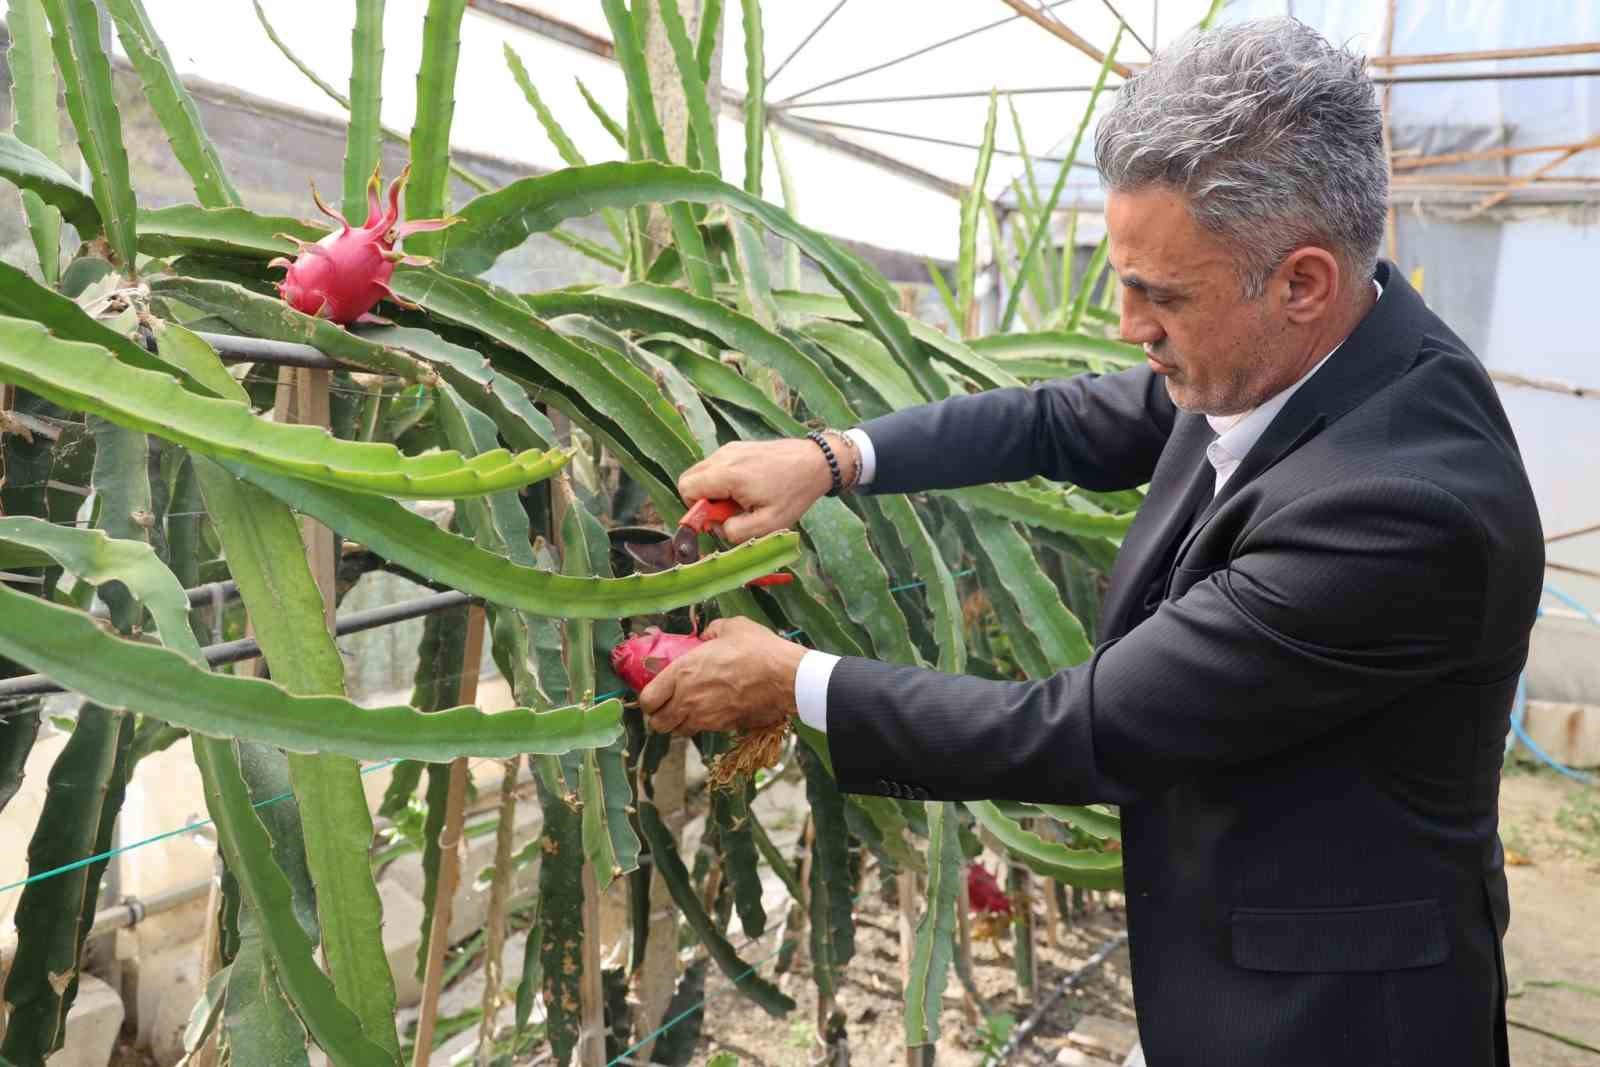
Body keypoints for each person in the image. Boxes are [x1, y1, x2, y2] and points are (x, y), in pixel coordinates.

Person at [638, 18, 1542, 1066]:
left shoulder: (1401, 510)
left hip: (1331, 1017)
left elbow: (1088, 731)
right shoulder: (1303, 354)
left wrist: (792, 680)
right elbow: (1062, 420)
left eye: (1163, 295)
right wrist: (830, 458)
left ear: (1302, 282)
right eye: (1125, 280)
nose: (1127, 325)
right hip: (1231, 953)